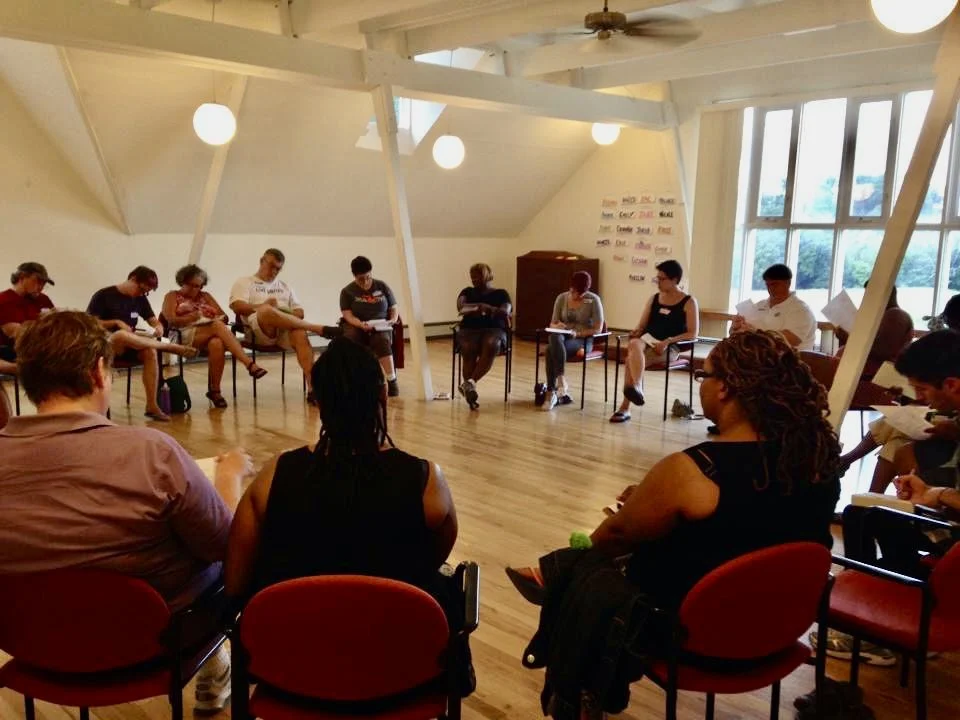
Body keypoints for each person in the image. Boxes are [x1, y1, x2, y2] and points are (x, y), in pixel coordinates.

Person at [506, 331, 840, 717]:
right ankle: (551, 580)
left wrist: (633, 516)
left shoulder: (696, 469)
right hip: (778, 630)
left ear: (725, 388)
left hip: (693, 639)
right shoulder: (817, 461)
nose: (701, 384)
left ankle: (574, 686)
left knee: (591, 570)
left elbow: (613, 537)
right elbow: (755, 521)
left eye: (703, 375)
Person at [0, 310, 255, 712]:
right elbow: (222, 545)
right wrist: (229, 476)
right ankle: (220, 664)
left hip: (29, 643)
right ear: (98, 372)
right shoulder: (151, 452)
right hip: (153, 644)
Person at [224, 337, 472, 689]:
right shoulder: (426, 480)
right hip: (400, 670)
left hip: (294, 671)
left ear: (319, 402)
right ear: (382, 395)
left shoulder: (275, 476)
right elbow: (432, 559)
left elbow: (235, 582)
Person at [87, 266, 199, 421]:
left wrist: (158, 327)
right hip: (106, 346)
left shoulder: (139, 298)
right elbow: (90, 323)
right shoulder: (104, 295)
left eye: (145, 293)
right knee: (120, 335)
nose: (142, 294)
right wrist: (115, 322)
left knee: (150, 351)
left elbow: (152, 320)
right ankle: (171, 347)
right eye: (141, 290)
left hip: (130, 344)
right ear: (133, 279)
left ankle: (152, 405)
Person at [229, 248, 332, 403]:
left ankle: (313, 388)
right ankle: (316, 328)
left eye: (278, 268)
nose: (274, 271)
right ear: (262, 261)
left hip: (284, 332)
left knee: (299, 333)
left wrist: (282, 312)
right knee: (266, 310)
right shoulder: (244, 282)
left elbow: (300, 312)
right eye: (271, 266)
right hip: (258, 332)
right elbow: (237, 306)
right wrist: (264, 307)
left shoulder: (285, 286)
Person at [161, 264, 267, 409]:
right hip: (181, 335)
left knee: (217, 342)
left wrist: (212, 314)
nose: (194, 289)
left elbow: (224, 317)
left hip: (207, 331)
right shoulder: (172, 296)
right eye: (190, 285)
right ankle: (249, 364)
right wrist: (193, 316)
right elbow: (171, 320)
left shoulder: (206, 296)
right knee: (217, 327)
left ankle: (215, 391)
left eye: (198, 286)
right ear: (182, 282)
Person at [610, 260, 699, 423]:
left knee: (630, 360)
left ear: (674, 279)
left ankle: (625, 407)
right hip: (647, 341)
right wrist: (636, 332)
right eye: (657, 278)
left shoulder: (689, 301)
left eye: (662, 279)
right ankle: (637, 387)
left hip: (670, 347)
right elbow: (642, 326)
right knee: (634, 343)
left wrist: (668, 341)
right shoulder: (654, 299)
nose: (658, 282)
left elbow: (692, 333)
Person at [541, 271, 604, 411]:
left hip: (582, 339)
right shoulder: (561, 298)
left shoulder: (593, 300)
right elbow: (552, 323)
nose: (579, 296)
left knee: (550, 350)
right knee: (554, 337)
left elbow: (598, 329)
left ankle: (551, 393)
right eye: (576, 292)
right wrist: (558, 326)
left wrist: (579, 333)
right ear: (571, 287)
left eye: (582, 293)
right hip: (563, 335)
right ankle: (561, 380)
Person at [339, 256, 401, 397]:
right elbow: (347, 315)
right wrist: (360, 324)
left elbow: (393, 306)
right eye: (361, 279)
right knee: (351, 337)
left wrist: (393, 319)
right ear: (354, 276)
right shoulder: (347, 291)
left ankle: (392, 380)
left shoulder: (382, 286)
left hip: (380, 323)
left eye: (368, 277)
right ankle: (356, 379)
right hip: (358, 323)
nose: (366, 282)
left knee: (381, 340)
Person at [455, 263, 512, 409]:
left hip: (494, 329)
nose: (474, 280)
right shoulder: (467, 292)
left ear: (487, 276)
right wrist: (476, 306)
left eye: (477, 276)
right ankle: (470, 388)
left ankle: (469, 383)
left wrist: (489, 308)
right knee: (468, 347)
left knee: (491, 344)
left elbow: (506, 311)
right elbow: (461, 306)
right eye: (472, 277)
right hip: (470, 329)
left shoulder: (501, 293)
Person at [833, 283, 913, 380]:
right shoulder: (880, 315)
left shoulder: (895, 315)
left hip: (878, 375)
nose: (866, 299)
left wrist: (850, 338)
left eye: (869, 294)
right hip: (861, 372)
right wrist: (844, 336)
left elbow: (883, 351)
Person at [732, 263, 816, 350]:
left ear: (788, 283)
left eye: (775, 284)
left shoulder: (801, 310)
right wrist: (736, 328)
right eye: (768, 285)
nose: (771, 288)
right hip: (757, 355)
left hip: (790, 357)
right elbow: (735, 333)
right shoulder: (759, 306)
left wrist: (754, 333)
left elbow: (791, 339)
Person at [0, 261, 56, 363]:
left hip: (41, 350)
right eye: (38, 281)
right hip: (13, 352)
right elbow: (16, 333)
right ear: (22, 277)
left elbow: (56, 325)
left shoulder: (43, 299)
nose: (41, 287)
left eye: (44, 284)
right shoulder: (4, 300)